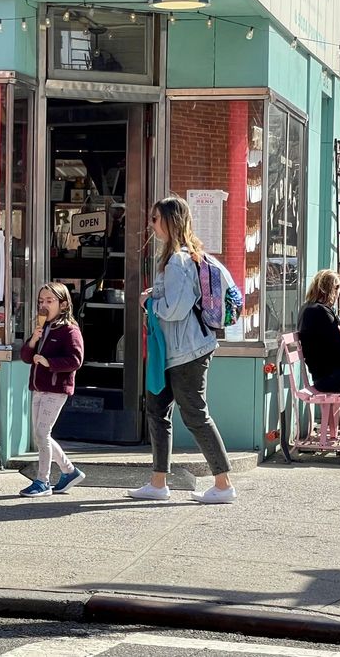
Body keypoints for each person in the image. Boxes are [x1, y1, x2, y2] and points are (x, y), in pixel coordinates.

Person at [128, 196, 236, 504]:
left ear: (169, 221)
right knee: (157, 410)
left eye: (155, 219)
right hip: (178, 350)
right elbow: (184, 298)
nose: (151, 224)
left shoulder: (178, 260)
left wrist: (149, 302)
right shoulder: (190, 257)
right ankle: (158, 482)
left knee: (195, 415)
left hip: (185, 351)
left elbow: (174, 309)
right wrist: (157, 293)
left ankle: (223, 485)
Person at [18, 282, 86, 497]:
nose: (44, 305)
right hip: (38, 387)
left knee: (42, 433)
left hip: (56, 389)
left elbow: (76, 360)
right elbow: (26, 357)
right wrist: (33, 339)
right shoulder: (43, 328)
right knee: (41, 435)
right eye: (41, 301)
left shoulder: (69, 330)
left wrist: (50, 363)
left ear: (63, 304)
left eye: (49, 301)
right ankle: (69, 471)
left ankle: (42, 481)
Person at [297, 270, 340, 393]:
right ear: (334, 289)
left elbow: (325, 337)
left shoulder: (307, 308)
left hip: (321, 376)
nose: (339, 294)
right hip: (331, 378)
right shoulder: (321, 311)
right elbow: (339, 348)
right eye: (338, 289)